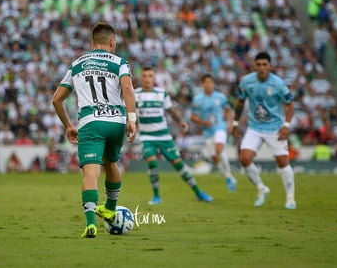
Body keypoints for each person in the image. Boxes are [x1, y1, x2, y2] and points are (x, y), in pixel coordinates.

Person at [52, 22, 137, 238]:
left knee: (91, 172)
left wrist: (69, 126)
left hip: (91, 122)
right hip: (116, 121)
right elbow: (127, 88)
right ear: (112, 42)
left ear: (92, 43)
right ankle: (109, 207)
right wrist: (132, 119)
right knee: (111, 163)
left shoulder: (77, 64)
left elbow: (56, 100)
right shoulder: (120, 62)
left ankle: (91, 224)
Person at [135, 67, 213, 205]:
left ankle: (199, 192)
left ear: (154, 78)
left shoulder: (161, 93)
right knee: (152, 163)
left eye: (150, 76)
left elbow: (170, 111)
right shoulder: (135, 94)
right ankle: (156, 196)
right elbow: (130, 114)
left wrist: (181, 122)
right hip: (146, 136)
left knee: (179, 166)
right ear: (141, 78)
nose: (147, 79)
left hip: (164, 136)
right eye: (145, 76)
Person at [232, 51, 296, 210]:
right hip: (255, 127)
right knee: (244, 158)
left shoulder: (278, 83)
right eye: (258, 64)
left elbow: (290, 104)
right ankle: (261, 188)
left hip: (275, 128)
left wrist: (286, 126)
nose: (261, 68)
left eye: (264, 65)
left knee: (282, 162)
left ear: (270, 66)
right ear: (254, 65)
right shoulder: (247, 82)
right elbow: (240, 102)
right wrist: (235, 124)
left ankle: (290, 198)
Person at [190, 73, 237, 192]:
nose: (209, 85)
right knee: (215, 158)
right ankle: (228, 177)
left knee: (219, 149)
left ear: (213, 84)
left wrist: (230, 123)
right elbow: (193, 117)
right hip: (207, 131)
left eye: (211, 82)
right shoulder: (198, 99)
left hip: (219, 127)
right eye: (206, 82)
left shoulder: (220, 97)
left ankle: (229, 175)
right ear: (202, 84)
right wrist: (203, 122)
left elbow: (228, 110)